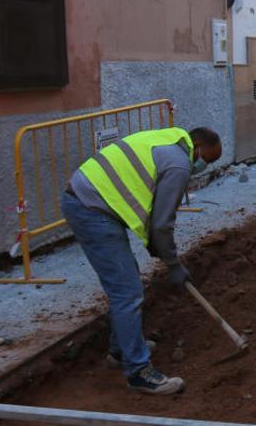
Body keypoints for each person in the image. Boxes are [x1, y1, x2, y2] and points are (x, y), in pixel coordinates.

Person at [61, 126, 222, 395]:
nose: (204, 166)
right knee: (127, 291)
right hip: (90, 208)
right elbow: (162, 224)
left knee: (126, 284)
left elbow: (152, 214)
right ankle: (138, 372)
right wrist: (173, 264)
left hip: (89, 198)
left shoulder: (170, 138)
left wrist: (158, 248)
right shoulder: (180, 164)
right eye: (208, 159)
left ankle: (120, 349)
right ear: (197, 146)